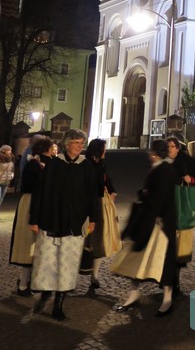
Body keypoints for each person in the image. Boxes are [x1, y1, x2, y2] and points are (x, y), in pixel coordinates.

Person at [28, 129, 100, 320]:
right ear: (67, 144)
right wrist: (34, 219)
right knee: (47, 263)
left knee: (67, 265)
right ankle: (44, 294)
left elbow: (93, 194)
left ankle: (58, 305)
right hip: (50, 220)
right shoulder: (53, 165)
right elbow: (39, 193)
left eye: (81, 143)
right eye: (76, 142)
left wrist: (93, 218)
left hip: (74, 224)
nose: (79, 146)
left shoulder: (86, 167)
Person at [112, 139, 177, 317]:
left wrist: (144, 194)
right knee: (139, 260)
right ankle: (135, 296)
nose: (149, 154)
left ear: (155, 153)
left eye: (151, 151)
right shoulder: (162, 168)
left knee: (162, 263)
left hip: (158, 224)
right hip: (154, 222)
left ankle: (167, 300)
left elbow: (159, 198)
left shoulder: (164, 170)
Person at [9, 136, 54, 295]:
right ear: (46, 149)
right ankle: (23, 284)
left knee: (36, 247)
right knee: (28, 245)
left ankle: (29, 282)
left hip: (36, 202)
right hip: (31, 203)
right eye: (52, 148)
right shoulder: (35, 165)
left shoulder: (39, 163)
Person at [79, 138, 121, 289]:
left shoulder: (100, 163)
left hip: (102, 202)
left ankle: (95, 275)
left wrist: (112, 190)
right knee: (88, 239)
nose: (106, 151)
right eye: (104, 148)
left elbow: (106, 179)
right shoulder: (87, 164)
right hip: (92, 203)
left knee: (100, 240)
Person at [166, 135, 195, 296]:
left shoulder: (187, 161)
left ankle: (176, 280)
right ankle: (169, 280)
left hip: (183, 208)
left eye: (172, 147)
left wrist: (190, 178)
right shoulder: (164, 162)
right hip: (168, 208)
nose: (169, 150)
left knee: (180, 246)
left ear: (178, 148)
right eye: (167, 147)